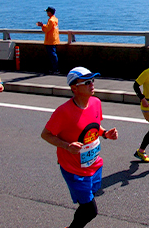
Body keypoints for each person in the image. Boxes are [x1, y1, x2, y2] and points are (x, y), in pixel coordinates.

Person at [41, 67, 118, 228]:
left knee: (87, 204)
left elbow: (95, 126)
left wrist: (105, 134)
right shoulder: (64, 112)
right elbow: (46, 134)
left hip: (94, 165)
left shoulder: (96, 102)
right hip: (74, 169)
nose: (92, 85)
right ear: (74, 88)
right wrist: (67, 146)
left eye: (93, 81)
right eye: (87, 82)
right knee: (91, 211)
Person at [37, 6, 60, 74]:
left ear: (50, 12)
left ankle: (56, 69)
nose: (47, 13)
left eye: (47, 11)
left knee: (52, 55)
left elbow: (47, 29)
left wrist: (42, 26)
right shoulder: (55, 19)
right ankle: (55, 69)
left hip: (50, 40)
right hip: (54, 39)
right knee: (53, 55)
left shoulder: (51, 20)